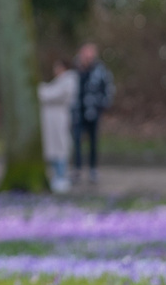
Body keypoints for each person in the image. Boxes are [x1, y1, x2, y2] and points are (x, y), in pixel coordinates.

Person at [73, 42, 114, 184]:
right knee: (76, 141)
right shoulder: (75, 70)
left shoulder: (100, 70)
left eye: (90, 54)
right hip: (77, 111)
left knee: (93, 142)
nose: (87, 57)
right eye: (85, 53)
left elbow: (108, 89)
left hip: (93, 112)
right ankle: (77, 169)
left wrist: (102, 105)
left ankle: (93, 170)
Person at [38, 57, 78, 193]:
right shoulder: (60, 81)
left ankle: (62, 176)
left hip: (59, 118)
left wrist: (40, 90)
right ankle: (57, 176)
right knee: (53, 148)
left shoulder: (69, 79)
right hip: (51, 119)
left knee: (60, 146)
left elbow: (52, 94)